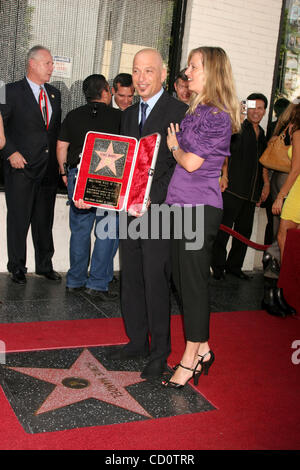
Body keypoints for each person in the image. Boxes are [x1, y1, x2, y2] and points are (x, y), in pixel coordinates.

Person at [162, 46, 240, 389]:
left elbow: (192, 162)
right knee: (181, 280)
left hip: (199, 208)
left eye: (194, 67)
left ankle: (190, 359)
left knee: (192, 285)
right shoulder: (196, 111)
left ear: (212, 72)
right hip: (179, 205)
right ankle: (204, 348)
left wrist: (175, 147)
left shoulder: (218, 115)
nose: (187, 72)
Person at [109, 48, 188, 379]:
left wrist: (152, 198)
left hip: (159, 212)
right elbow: (121, 161)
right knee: (132, 277)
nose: (141, 79)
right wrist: (101, 192)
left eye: (148, 72)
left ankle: (160, 352)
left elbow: (182, 166)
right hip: (129, 209)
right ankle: (138, 340)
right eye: (136, 71)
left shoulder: (180, 112)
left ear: (163, 74)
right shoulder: (127, 114)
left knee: (156, 281)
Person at [56, 75, 122, 299]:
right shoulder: (118, 117)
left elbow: (62, 146)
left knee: (80, 231)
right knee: (106, 232)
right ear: (106, 92)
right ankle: (97, 284)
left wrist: (65, 172)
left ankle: (74, 281)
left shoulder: (74, 115)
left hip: (78, 174)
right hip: (109, 178)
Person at [1, 45, 62, 284]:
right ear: (32, 64)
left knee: (43, 220)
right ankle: (17, 266)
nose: (51, 68)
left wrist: (59, 164)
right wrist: (10, 152)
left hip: (47, 170)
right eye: (47, 63)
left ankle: (44, 265)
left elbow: (55, 131)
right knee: (19, 219)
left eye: (51, 64)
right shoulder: (9, 91)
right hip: (21, 168)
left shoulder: (55, 94)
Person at [211, 93, 270, 280]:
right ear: (246, 107)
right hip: (233, 189)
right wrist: (224, 175)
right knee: (223, 230)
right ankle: (217, 267)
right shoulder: (237, 127)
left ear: (264, 111)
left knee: (244, 233)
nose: (256, 111)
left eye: (260, 108)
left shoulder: (263, 135)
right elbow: (224, 152)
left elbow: (263, 165)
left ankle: (234, 266)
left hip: (252, 194)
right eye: (253, 107)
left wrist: (265, 185)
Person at [272, 103, 300, 258]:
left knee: (284, 239)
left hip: (297, 193)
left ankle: (288, 281)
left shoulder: (298, 133)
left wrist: (280, 196)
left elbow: (296, 169)